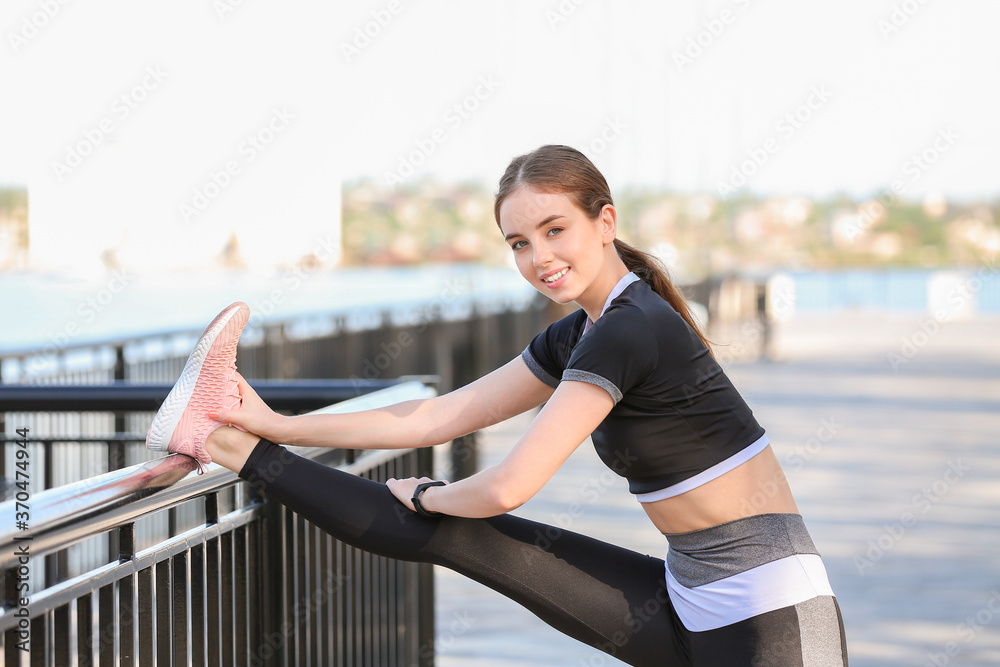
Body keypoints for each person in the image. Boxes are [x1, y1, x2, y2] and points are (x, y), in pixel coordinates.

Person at [147, 145, 849, 666]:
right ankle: (224, 438)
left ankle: (223, 439)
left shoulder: (631, 327)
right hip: (687, 588)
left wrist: (428, 492)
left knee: (454, 523)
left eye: (554, 230)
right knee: (460, 533)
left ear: (604, 222)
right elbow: (438, 415)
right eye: (519, 242)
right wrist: (276, 421)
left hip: (773, 615)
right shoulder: (582, 331)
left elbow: (508, 484)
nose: (538, 256)